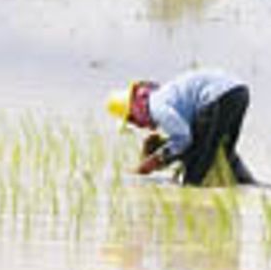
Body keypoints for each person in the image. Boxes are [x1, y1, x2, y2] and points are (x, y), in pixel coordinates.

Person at [106, 69, 257, 186]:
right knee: (224, 153)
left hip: (217, 97)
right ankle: (253, 188)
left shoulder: (156, 106)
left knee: (195, 173)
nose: (140, 126)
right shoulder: (165, 95)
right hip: (239, 91)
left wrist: (157, 159)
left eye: (133, 120)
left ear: (135, 109)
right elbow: (189, 138)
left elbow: (184, 138)